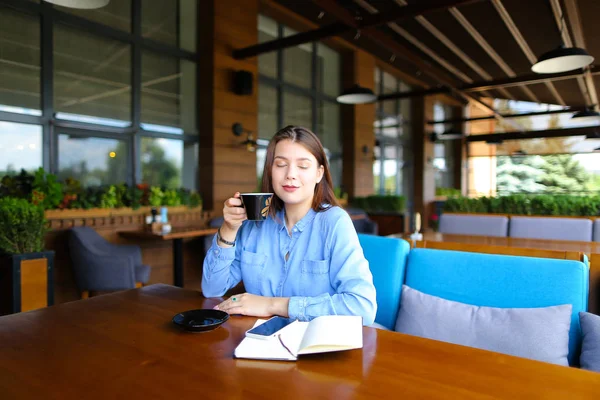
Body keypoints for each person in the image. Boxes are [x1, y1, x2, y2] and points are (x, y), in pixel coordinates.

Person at [202, 125, 377, 325]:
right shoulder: (256, 222)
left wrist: (272, 305)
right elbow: (212, 289)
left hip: (316, 345)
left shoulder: (334, 222)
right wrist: (229, 229)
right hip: (261, 342)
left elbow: (362, 307)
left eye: (303, 166)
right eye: (281, 164)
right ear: (270, 170)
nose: (290, 174)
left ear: (319, 173)